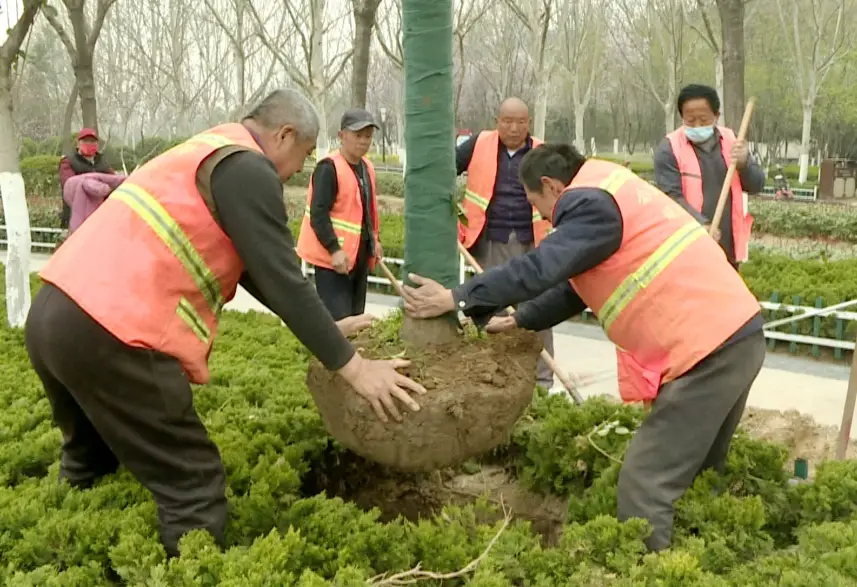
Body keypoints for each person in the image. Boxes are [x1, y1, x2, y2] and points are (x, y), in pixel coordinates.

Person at [25, 89, 425, 559]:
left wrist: (328, 330)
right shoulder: (248, 168)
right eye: (302, 156)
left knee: (88, 461)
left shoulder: (208, 149)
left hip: (54, 316)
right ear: (284, 134)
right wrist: (356, 369)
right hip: (115, 332)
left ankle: (63, 561)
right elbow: (281, 276)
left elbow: (260, 273)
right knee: (193, 487)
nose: (298, 171)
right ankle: (190, 571)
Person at [401, 143, 766, 553]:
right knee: (700, 473)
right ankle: (703, 559)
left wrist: (456, 298)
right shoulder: (609, 188)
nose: (542, 217)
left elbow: (539, 268)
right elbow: (575, 288)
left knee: (645, 484)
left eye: (537, 205)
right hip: (736, 335)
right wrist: (522, 318)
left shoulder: (589, 205)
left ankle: (654, 571)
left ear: (551, 186)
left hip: (707, 352)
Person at [455, 97, 555, 389]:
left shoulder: (542, 152)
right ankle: (493, 377)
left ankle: (542, 380)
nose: (514, 128)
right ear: (496, 121)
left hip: (533, 242)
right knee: (492, 306)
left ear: (529, 123)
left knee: (539, 308)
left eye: (520, 122)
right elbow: (442, 171)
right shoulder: (478, 144)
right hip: (490, 241)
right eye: (508, 121)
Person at [653, 84, 766, 270]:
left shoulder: (732, 141)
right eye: (690, 120)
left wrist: (744, 164)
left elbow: (757, 185)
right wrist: (700, 225)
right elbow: (670, 197)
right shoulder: (669, 149)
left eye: (703, 120)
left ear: (716, 116)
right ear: (682, 117)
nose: (697, 126)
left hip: (728, 250)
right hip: (687, 247)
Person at [297, 108, 382, 321]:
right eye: (358, 135)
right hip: (333, 262)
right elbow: (318, 215)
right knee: (339, 323)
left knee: (356, 321)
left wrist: (374, 240)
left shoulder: (367, 168)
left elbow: (366, 212)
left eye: (368, 136)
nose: (363, 141)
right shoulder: (328, 168)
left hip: (358, 259)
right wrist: (334, 249)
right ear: (341, 135)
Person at [58, 128, 115, 230]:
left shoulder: (102, 162)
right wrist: (100, 188)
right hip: (76, 218)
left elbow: (114, 181)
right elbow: (69, 185)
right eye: (86, 141)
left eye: (92, 141)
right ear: (78, 143)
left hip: (100, 217)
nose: (89, 144)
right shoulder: (68, 162)